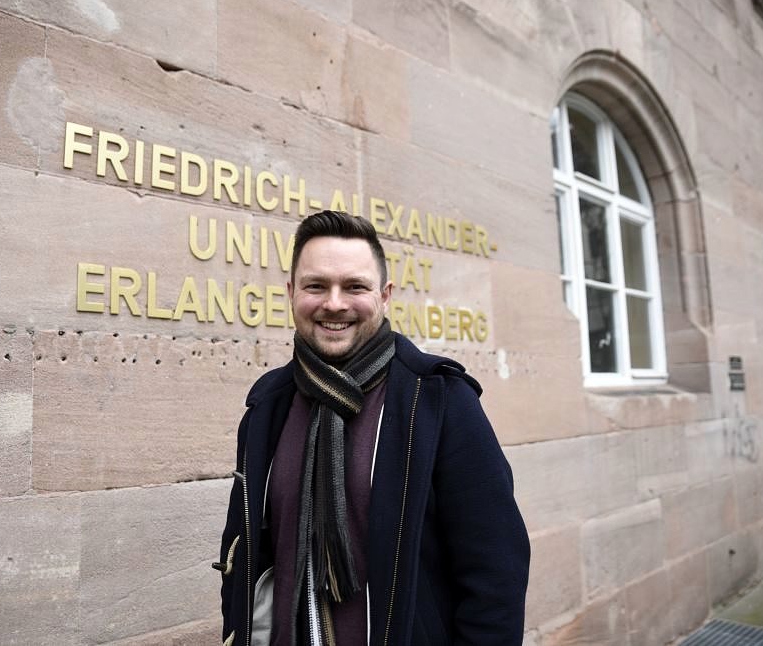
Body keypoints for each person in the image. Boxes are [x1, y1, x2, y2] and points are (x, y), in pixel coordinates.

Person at [216, 211, 529, 645]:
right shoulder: (269, 403)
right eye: (316, 286)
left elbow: (496, 574)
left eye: (355, 286)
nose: (334, 303)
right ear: (291, 293)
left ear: (384, 296)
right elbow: (245, 555)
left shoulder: (439, 400)